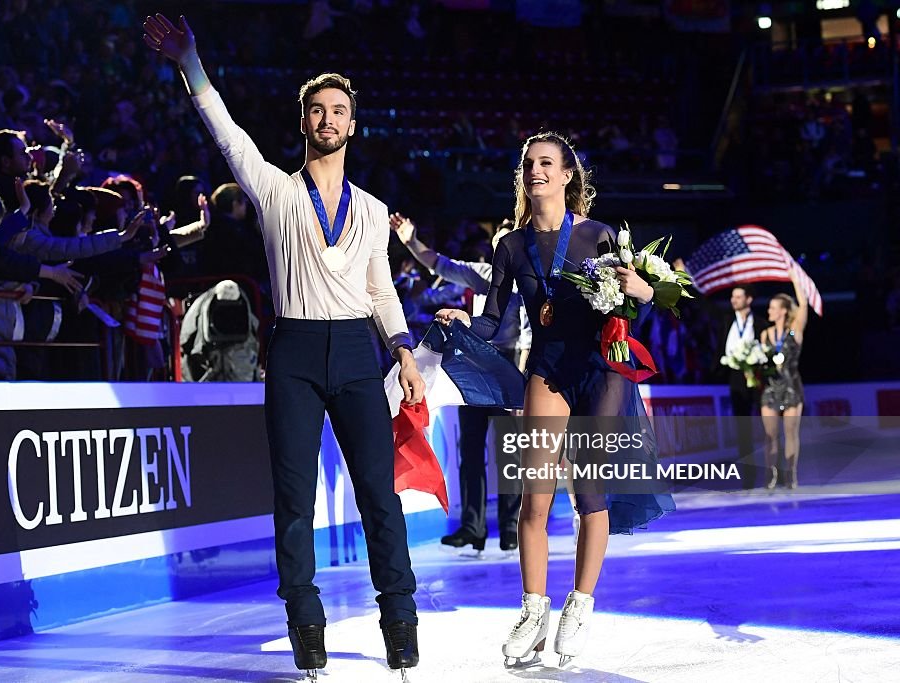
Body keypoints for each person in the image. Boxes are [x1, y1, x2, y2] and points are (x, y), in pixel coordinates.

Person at [143, 13, 424, 678]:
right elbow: (226, 135)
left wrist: (405, 351)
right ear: (304, 122)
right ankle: (305, 623)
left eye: (339, 111)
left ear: (353, 125)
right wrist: (192, 64)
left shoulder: (375, 209)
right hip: (295, 352)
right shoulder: (273, 190)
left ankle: (401, 621)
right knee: (294, 500)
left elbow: (383, 292)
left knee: (378, 497)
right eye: (318, 110)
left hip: (360, 353)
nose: (329, 119)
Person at [435, 132, 673, 667]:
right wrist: (463, 321)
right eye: (529, 164)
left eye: (546, 163)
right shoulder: (511, 245)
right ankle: (533, 609)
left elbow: (628, 313)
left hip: (601, 370)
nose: (536, 170)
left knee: (589, 494)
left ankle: (580, 605)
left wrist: (644, 293)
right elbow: (494, 325)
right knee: (533, 497)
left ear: (567, 175)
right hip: (547, 368)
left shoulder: (599, 235)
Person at [391, 214, 529, 553]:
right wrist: (410, 240)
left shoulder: (525, 284)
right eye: (499, 238)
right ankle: (472, 526)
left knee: (509, 452)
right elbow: (440, 264)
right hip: (475, 365)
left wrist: (519, 390)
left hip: (509, 367)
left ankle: (511, 527)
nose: (502, 244)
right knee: (470, 449)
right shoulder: (482, 274)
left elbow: (526, 337)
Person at [759, 266, 808, 489]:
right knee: (770, 435)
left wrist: (796, 281)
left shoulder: (795, 330)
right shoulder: (764, 334)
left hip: (790, 387)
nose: (769, 310)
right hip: (770, 387)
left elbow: (804, 305)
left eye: (773, 307)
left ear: (784, 311)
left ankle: (792, 474)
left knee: (790, 433)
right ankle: (772, 475)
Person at [723, 284, 767, 489]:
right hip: (736, 380)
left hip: (758, 379)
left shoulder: (761, 324)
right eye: (732, 296)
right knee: (743, 429)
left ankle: (775, 472)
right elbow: (705, 306)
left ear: (749, 300)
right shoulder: (726, 321)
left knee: (768, 428)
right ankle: (748, 477)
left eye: (738, 296)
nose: (734, 300)